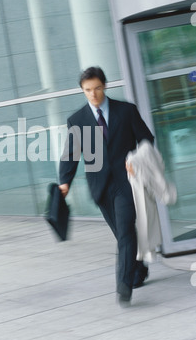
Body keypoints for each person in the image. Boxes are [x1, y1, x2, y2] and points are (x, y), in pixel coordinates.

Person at [59, 66, 154, 306]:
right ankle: (138, 268)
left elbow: (147, 139)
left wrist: (137, 159)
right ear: (82, 91)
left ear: (105, 86)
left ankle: (124, 287)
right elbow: (70, 155)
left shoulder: (126, 111)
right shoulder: (77, 120)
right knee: (124, 234)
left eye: (97, 88)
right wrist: (64, 183)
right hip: (101, 188)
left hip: (127, 181)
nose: (93, 94)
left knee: (124, 231)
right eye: (88, 90)